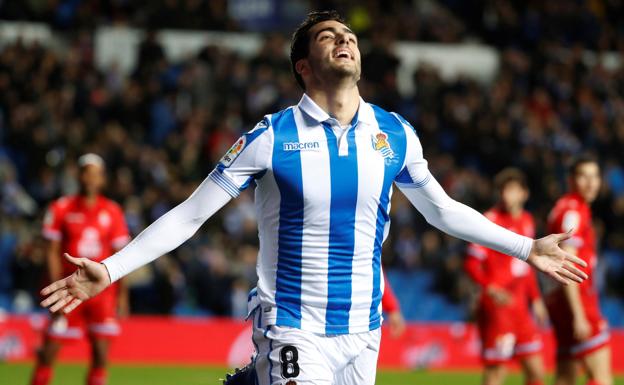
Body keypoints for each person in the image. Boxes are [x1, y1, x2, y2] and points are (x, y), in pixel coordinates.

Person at [40, 11, 587, 385]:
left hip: (364, 329)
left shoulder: (395, 133)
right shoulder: (270, 136)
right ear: (304, 66)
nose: (344, 39)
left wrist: (526, 247)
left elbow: (441, 210)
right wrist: (110, 270)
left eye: (348, 34)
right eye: (328, 36)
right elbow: (190, 215)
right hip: (292, 322)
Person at [31, 154, 130, 385]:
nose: (90, 178)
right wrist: (56, 285)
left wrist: (123, 295)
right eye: (86, 172)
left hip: (103, 293)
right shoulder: (61, 207)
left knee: (101, 355)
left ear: (102, 179)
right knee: (49, 351)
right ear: (78, 175)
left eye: (95, 174)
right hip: (70, 286)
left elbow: (121, 256)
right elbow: (51, 251)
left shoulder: (113, 211)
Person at [464, 168, 548, 385]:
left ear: (524, 193)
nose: (506, 195)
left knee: (537, 371)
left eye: (511, 190)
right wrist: (489, 287)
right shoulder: (489, 221)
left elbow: (527, 266)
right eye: (503, 190)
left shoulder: (528, 221)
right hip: (498, 307)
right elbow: (471, 262)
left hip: (521, 308)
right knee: (496, 374)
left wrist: (536, 299)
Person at [545, 157, 612, 385]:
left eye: (595, 176)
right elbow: (567, 263)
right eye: (584, 176)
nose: (591, 183)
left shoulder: (565, 207)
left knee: (566, 377)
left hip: (560, 300)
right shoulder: (573, 212)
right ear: (571, 180)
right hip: (577, 300)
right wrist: (579, 315)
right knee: (602, 378)